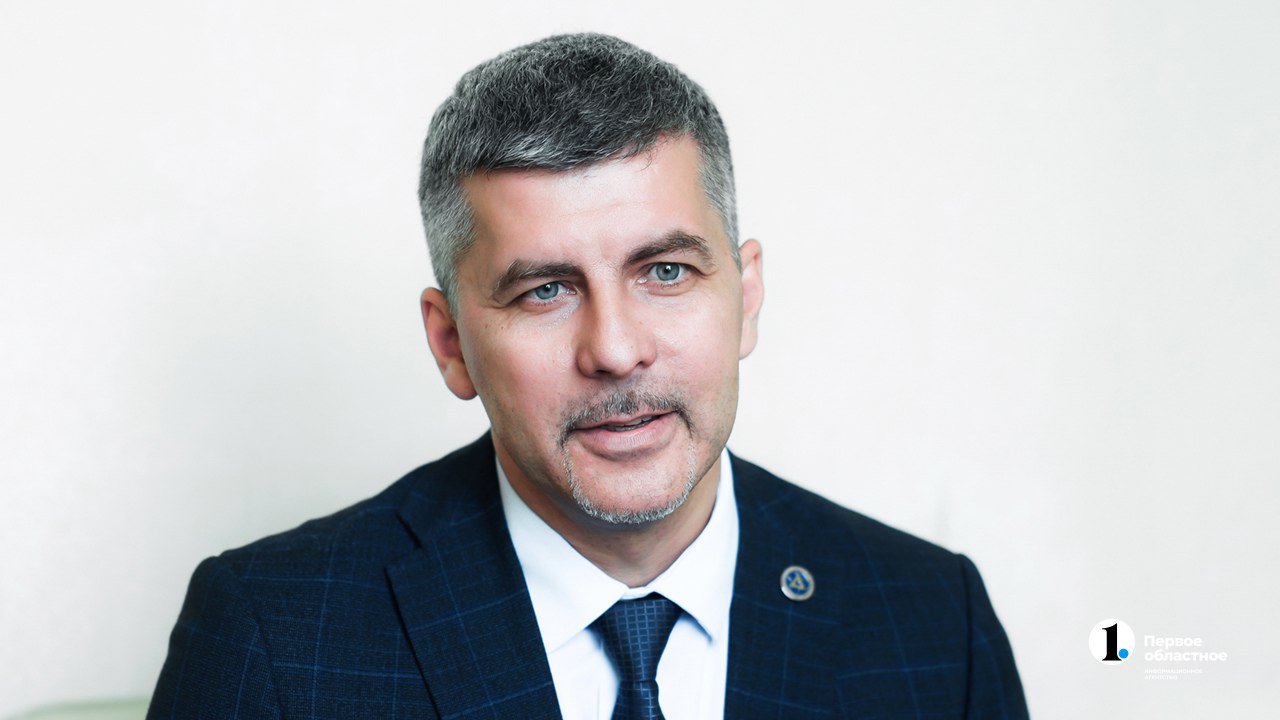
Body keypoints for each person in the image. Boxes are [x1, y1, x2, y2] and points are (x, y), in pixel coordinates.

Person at [148, 33, 1028, 719]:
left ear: (747, 296)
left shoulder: (932, 620)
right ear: (450, 344)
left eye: (666, 272)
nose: (615, 348)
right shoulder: (273, 633)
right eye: (545, 291)